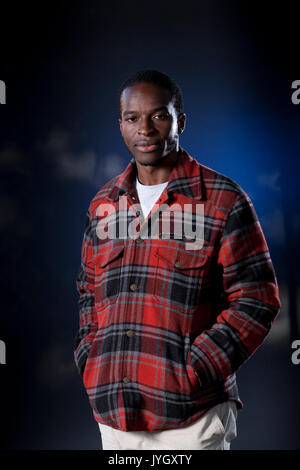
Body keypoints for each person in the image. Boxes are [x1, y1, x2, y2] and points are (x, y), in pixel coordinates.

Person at [74, 70, 281, 450]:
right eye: (133, 118)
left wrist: (195, 368)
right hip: (115, 415)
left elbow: (257, 300)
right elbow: (88, 289)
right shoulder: (103, 204)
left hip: (192, 417)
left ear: (180, 121)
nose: (145, 129)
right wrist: (91, 357)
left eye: (159, 115)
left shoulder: (223, 200)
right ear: (120, 124)